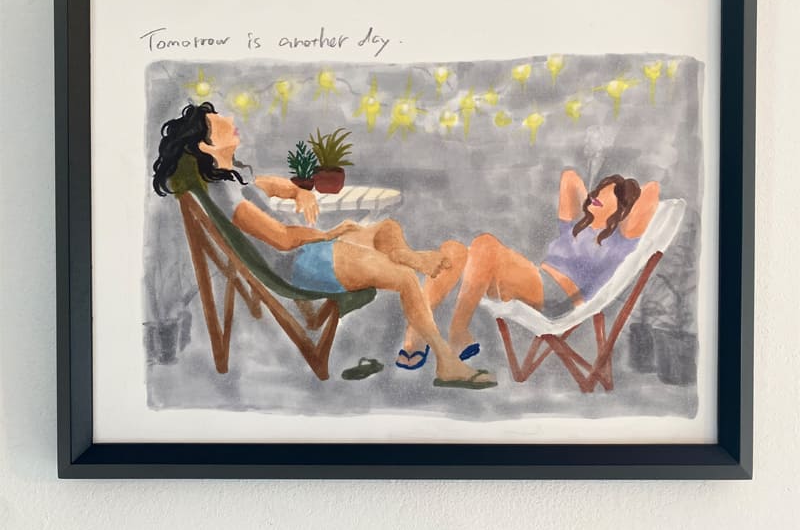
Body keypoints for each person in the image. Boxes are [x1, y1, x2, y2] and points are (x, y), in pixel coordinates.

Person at [152, 101, 496, 389]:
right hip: (299, 265)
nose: (229, 120)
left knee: (387, 228)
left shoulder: (233, 178)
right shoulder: (226, 194)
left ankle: (405, 255)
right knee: (404, 278)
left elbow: (274, 185)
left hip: (309, 254)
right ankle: (446, 363)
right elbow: (281, 239)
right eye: (219, 124)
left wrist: (299, 192)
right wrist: (329, 233)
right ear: (207, 147)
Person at [396, 169, 660, 367]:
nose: (597, 195)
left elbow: (652, 190)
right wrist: (599, 190)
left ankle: (458, 333)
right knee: (452, 251)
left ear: (624, 209)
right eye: (598, 191)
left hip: (560, 297)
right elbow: (569, 177)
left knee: (485, 244)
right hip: (536, 282)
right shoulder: (576, 226)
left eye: (606, 194)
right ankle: (416, 332)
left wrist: (625, 191)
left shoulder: (620, 241)